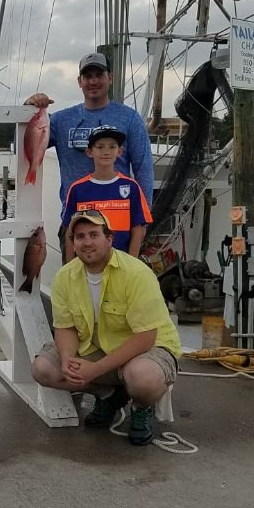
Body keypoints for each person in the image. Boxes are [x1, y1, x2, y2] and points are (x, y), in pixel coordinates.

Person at [31, 209, 181, 446]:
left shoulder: (137, 273)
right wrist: (69, 358)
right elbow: (66, 327)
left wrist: (95, 369)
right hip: (97, 345)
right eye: (80, 237)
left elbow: (146, 338)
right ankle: (109, 395)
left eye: (94, 234)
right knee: (43, 369)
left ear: (109, 239)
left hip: (147, 350)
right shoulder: (64, 277)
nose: (87, 242)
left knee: (142, 378)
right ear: (73, 243)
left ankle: (142, 407)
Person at [25, 52, 154, 249]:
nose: (93, 81)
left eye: (99, 75)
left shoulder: (130, 118)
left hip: (118, 227)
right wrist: (29, 110)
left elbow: (143, 169)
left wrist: (141, 223)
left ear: (110, 78)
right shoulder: (60, 120)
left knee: (119, 280)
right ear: (80, 81)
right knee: (75, 279)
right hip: (76, 224)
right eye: (88, 76)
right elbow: (30, 141)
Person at [60, 125, 152, 259]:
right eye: (100, 147)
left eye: (112, 147)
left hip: (121, 263)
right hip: (87, 264)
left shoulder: (131, 187)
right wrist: (70, 267)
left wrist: (131, 264)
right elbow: (69, 230)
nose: (106, 152)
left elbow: (138, 230)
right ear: (90, 152)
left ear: (120, 151)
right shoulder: (77, 189)